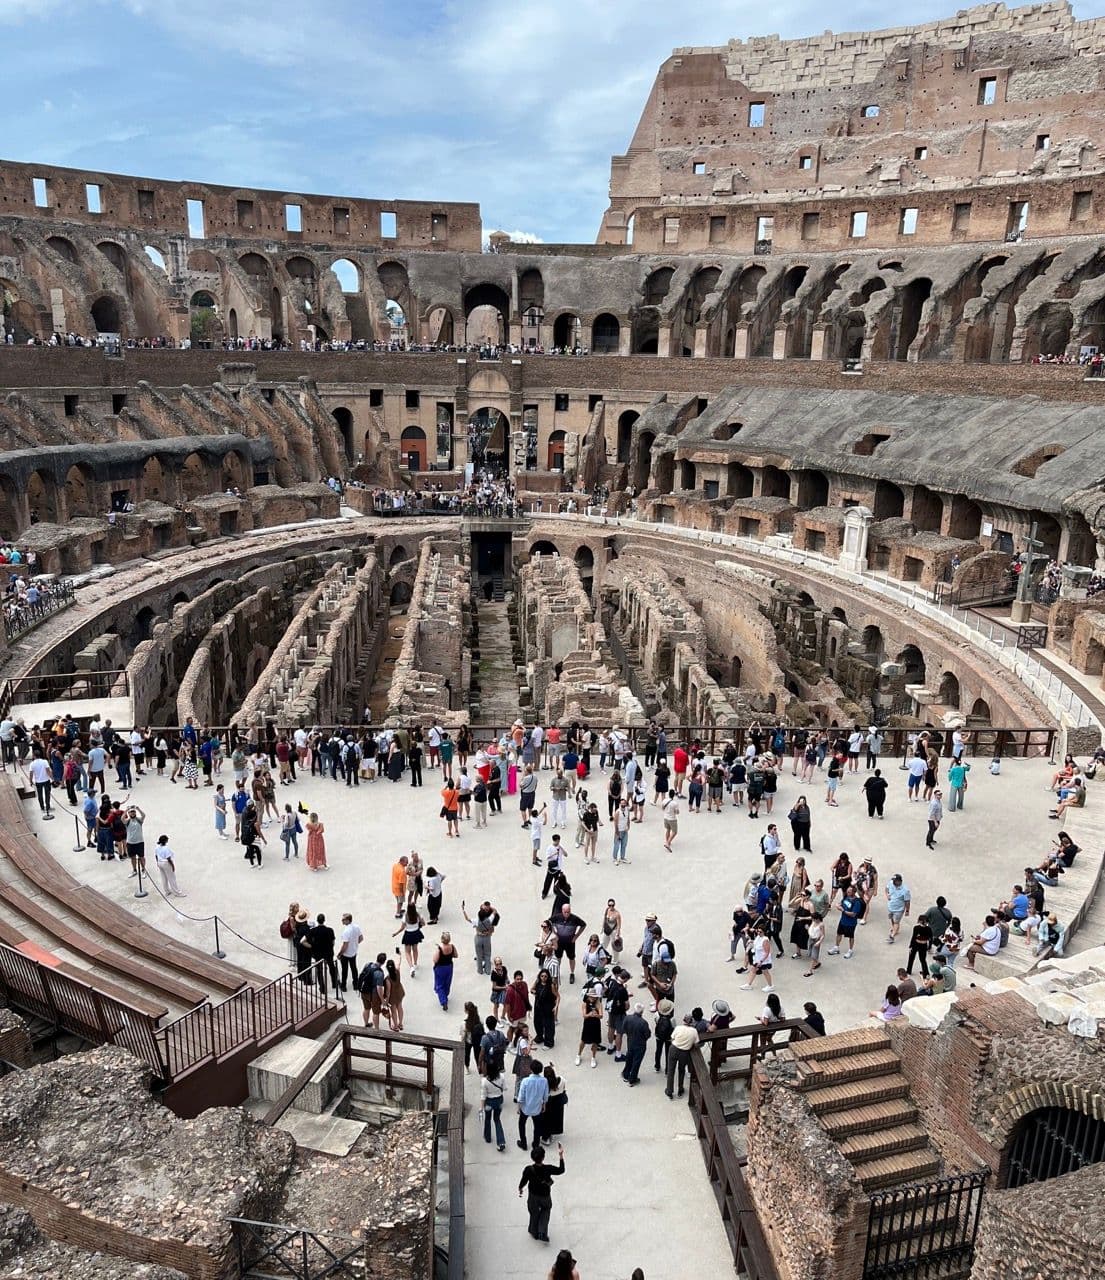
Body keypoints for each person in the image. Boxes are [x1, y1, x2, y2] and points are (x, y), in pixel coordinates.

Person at [518, 1142, 565, 1242]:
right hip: (545, 1196)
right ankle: (542, 1232)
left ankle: (534, 1231)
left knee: (534, 1213)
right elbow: (561, 1170)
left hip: (533, 1196)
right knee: (546, 1210)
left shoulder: (528, 1169)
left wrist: (520, 1188)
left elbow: (524, 1180)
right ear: (543, 1157)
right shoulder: (548, 1169)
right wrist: (561, 1155)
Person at [516, 1057, 549, 1150]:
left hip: (525, 1108)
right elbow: (545, 1095)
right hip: (537, 1108)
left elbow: (521, 1096)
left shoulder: (525, 1081)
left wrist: (518, 1107)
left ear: (531, 1069)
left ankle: (523, 1143)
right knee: (537, 1127)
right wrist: (544, 1105)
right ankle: (536, 1144)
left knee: (521, 1124)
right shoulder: (544, 1081)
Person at [665, 1014, 699, 1099]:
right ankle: (680, 1089)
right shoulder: (694, 1031)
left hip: (674, 1049)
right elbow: (696, 1043)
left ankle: (669, 1091)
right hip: (684, 1052)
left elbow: (672, 1038)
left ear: (684, 1021)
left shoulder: (678, 1028)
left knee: (671, 1070)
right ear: (691, 1022)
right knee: (681, 1070)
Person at [621, 1002, 651, 1085]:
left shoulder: (627, 1018)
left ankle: (626, 1074)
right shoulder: (643, 1023)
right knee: (636, 1062)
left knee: (629, 1058)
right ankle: (632, 1079)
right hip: (640, 1045)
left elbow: (624, 1029)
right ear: (642, 1012)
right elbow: (647, 1035)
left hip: (630, 1042)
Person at [393, 902, 426, 976]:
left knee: (407, 951)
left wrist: (396, 933)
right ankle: (415, 963)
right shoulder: (418, 915)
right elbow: (423, 923)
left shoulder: (405, 916)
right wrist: (419, 925)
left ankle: (411, 967)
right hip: (416, 933)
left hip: (408, 934)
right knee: (415, 949)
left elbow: (402, 928)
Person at [481, 1065, 507, 1151]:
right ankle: (501, 1142)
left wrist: (481, 1107)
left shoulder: (484, 1081)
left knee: (487, 1119)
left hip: (489, 1102)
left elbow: (483, 1096)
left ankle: (488, 1137)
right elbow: (505, 1088)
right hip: (499, 1100)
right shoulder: (502, 1077)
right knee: (497, 1120)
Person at [575, 991, 603, 1068]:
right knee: (583, 1041)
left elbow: (601, 1016)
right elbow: (584, 1015)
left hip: (596, 1024)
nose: (593, 998)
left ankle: (593, 1057)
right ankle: (578, 1055)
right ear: (589, 996)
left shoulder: (598, 1004)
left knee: (595, 1042)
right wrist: (589, 1014)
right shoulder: (585, 1004)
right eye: (592, 996)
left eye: (594, 997)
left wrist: (597, 1015)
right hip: (588, 1024)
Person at [432, 931, 458, 1010]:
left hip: (440, 968)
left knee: (439, 985)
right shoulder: (452, 947)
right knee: (447, 982)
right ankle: (445, 994)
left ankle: (443, 1001)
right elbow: (456, 955)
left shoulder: (440, 949)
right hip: (449, 966)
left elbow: (435, 960)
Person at [337, 913, 362, 992]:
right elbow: (361, 938)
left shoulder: (346, 931)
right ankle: (356, 984)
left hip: (346, 954)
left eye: (343, 919)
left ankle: (343, 986)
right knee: (354, 968)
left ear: (348, 920)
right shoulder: (356, 927)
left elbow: (345, 945)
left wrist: (340, 954)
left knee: (345, 970)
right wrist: (354, 944)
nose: (342, 920)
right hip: (354, 952)